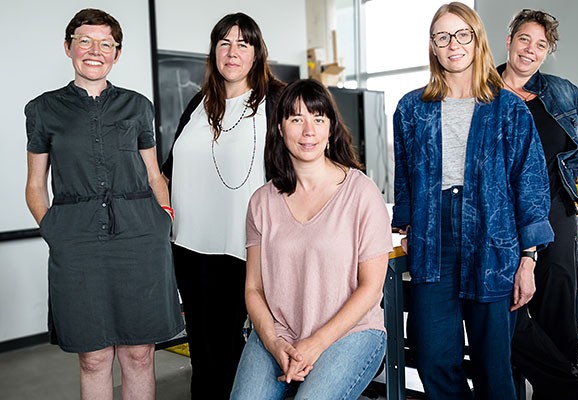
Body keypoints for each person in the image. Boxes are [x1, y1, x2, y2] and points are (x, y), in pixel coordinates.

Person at [391, 3, 555, 399]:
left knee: (493, 365)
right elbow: (404, 176)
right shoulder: (412, 108)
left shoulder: (509, 108)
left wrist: (528, 259)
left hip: (492, 238)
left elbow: (530, 185)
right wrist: (407, 224)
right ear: (433, 46)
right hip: (434, 240)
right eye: (442, 36)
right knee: (432, 357)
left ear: (477, 39)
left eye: (462, 34)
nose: (453, 44)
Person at [24, 8, 184, 399]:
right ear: (68, 47)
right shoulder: (43, 109)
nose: (95, 51)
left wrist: (164, 218)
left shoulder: (137, 106)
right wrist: (56, 231)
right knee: (93, 358)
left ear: (117, 53)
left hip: (140, 237)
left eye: (105, 44)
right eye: (85, 41)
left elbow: (153, 175)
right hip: (76, 244)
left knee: (139, 354)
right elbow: (34, 184)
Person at [229, 78, 393, 399]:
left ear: (330, 129)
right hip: (278, 334)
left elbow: (371, 287)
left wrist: (315, 344)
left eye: (318, 119)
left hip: (351, 333)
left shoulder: (361, 192)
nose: (308, 131)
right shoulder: (262, 202)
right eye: (296, 119)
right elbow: (253, 288)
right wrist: (275, 342)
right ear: (279, 127)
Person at [161, 12, 285, 399]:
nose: (233, 52)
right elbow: (168, 170)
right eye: (224, 43)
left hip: (242, 245)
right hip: (188, 245)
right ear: (214, 51)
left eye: (243, 43)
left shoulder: (276, 100)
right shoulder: (200, 103)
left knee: (230, 348)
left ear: (256, 53)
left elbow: (299, 165)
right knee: (201, 348)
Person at [497, 9, 578, 400]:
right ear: (509, 40)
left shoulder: (560, 90)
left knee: (556, 297)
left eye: (541, 45)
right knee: (506, 303)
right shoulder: (481, 91)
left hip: (554, 204)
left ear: (547, 53)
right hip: (502, 210)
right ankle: (548, 387)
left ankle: (557, 392)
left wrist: (567, 169)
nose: (531, 50)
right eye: (525, 39)